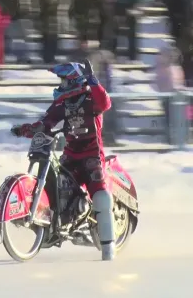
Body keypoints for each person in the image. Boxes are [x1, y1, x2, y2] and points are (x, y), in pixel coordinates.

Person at [10, 60, 116, 261]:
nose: (60, 86)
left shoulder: (90, 98)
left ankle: (109, 248)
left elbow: (105, 103)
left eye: (64, 81)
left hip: (92, 157)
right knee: (55, 186)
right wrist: (26, 129)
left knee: (101, 197)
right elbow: (46, 122)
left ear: (74, 80)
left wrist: (93, 81)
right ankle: (55, 225)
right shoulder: (62, 103)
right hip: (70, 156)